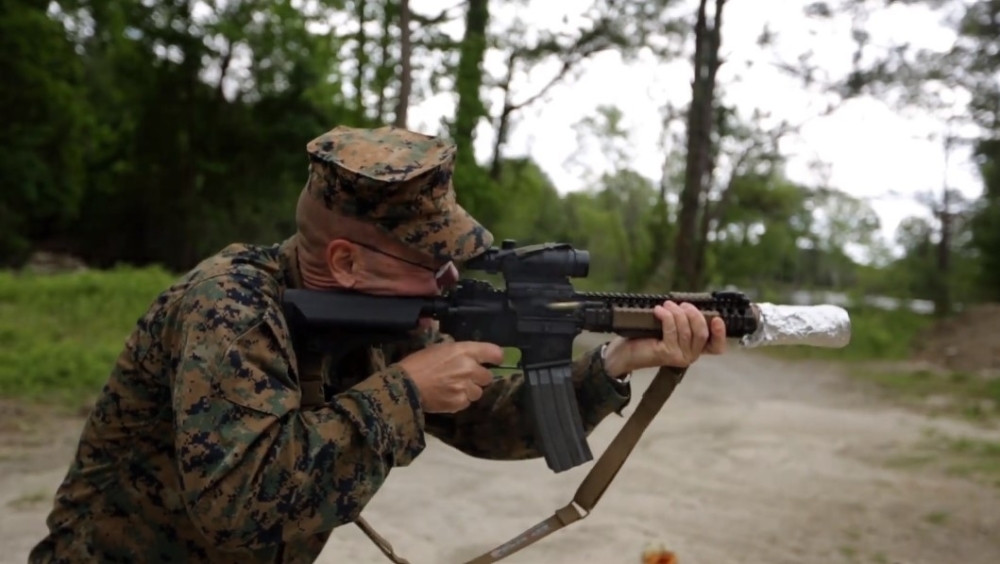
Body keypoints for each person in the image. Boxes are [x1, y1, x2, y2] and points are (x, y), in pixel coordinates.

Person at [30, 125, 727, 564]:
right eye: (430, 259)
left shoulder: (388, 312)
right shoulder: (231, 306)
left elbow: (494, 422)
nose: (450, 276)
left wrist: (613, 364)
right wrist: (406, 393)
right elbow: (237, 512)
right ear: (346, 263)